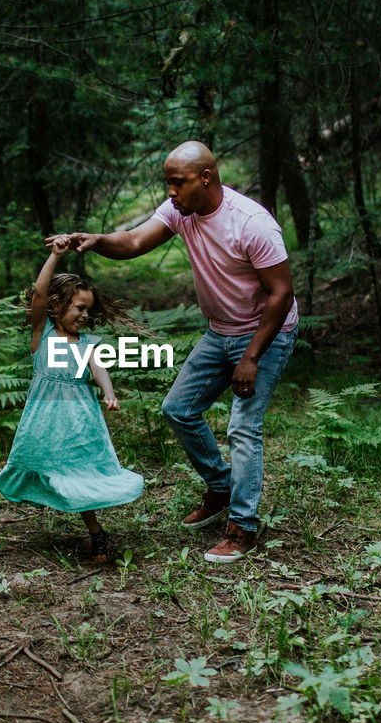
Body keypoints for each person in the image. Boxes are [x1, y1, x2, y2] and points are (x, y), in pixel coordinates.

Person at [55, 140, 297, 563]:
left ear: (205, 178)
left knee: (242, 427)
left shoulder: (252, 223)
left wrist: (251, 358)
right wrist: (94, 240)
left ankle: (243, 526)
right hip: (219, 331)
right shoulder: (181, 212)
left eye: (178, 183)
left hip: (265, 333)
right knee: (179, 408)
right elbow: (131, 242)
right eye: (167, 183)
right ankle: (221, 488)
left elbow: (281, 293)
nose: (170, 192)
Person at [0, 235, 143, 562]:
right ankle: (62, 509)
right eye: (80, 307)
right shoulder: (42, 334)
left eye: (89, 309)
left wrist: (109, 392)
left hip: (79, 421)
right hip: (45, 422)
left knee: (81, 473)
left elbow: (98, 366)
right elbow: (41, 292)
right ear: (57, 306)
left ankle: (96, 534)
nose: (86, 315)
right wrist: (56, 257)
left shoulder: (86, 341)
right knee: (45, 469)